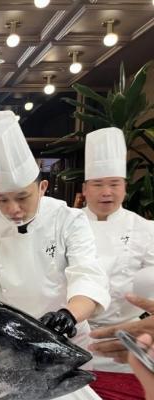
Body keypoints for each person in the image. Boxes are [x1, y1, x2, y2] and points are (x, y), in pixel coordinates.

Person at [0, 111, 110, 353]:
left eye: (22, 197)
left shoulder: (69, 219)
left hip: (66, 341)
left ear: (42, 188)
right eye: (2, 199)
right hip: (10, 337)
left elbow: (87, 276)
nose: (13, 209)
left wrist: (69, 315)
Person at [77, 126, 154, 398]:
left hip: (127, 341)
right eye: (98, 184)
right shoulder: (67, 225)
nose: (106, 192)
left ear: (125, 186)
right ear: (85, 188)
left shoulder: (146, 229)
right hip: (74, 339)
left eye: (114, 184)